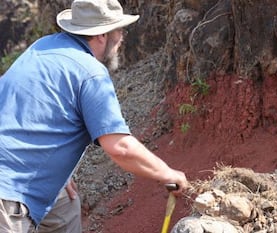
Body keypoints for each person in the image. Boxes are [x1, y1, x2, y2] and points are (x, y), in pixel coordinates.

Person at [0, 0, 188, 232]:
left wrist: (54, 172)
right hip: (8, 196)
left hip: (15, 174)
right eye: (119, 30)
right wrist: (167, 173)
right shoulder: (91, 73)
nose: (122, 38)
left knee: (65, 203)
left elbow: (26, 108)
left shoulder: (42, 48)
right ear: (101, 35)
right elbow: (120, 148)